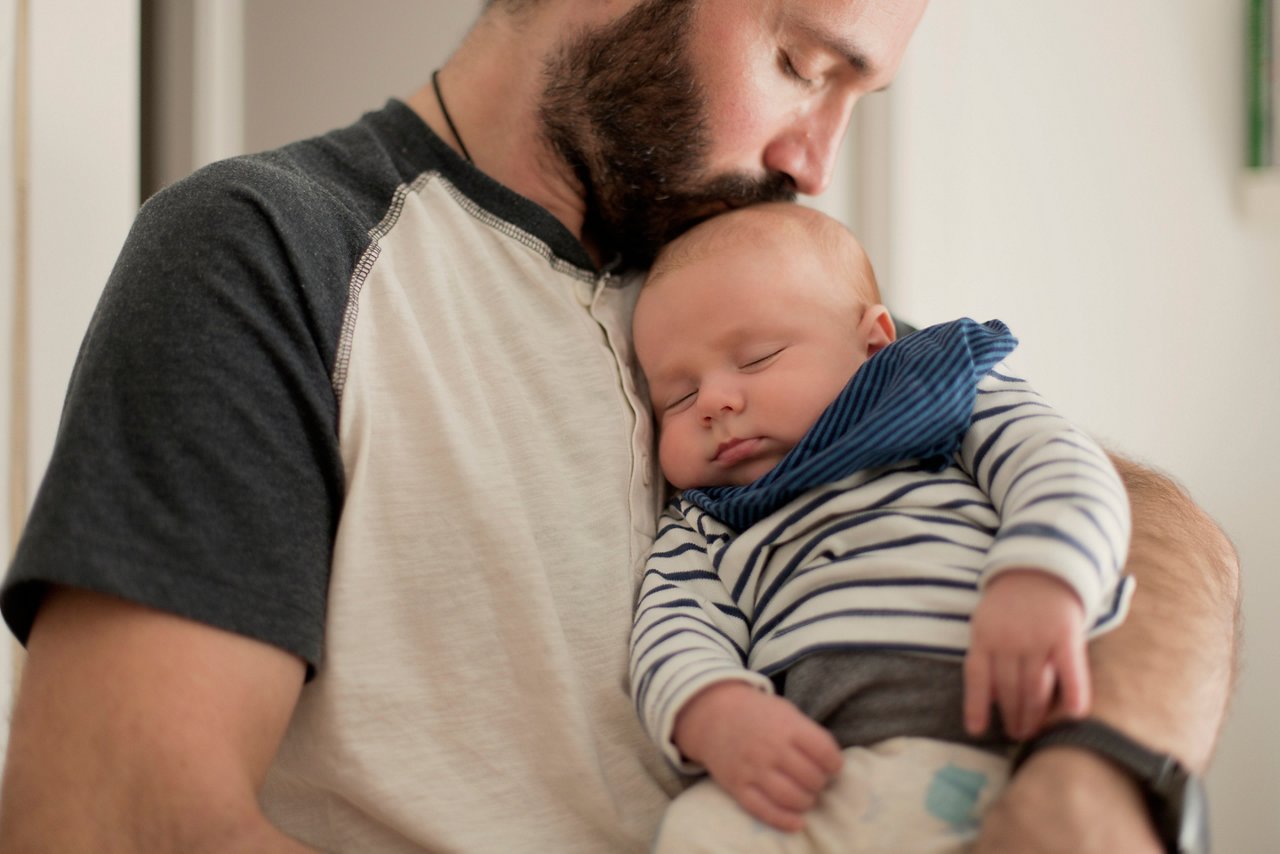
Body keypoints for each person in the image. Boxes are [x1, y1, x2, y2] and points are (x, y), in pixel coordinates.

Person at [0, 1, 1237, 852]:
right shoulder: (270, 253)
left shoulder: (735, 276)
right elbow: (112, 825)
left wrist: (1096, 782)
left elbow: (1147, 524)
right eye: (806, 64)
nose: (813, 159)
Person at [628, 202, 1133, 851]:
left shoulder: (940, 394)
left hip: (1024, 737)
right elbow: (670, 625)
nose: (715, 403)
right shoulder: (706, 521)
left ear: (872, 343)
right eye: (677, 395)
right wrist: (716, 711)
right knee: (698, 830)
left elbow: (1059, 466)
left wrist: (1042, 579)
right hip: (835, 777)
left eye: (755, 358)